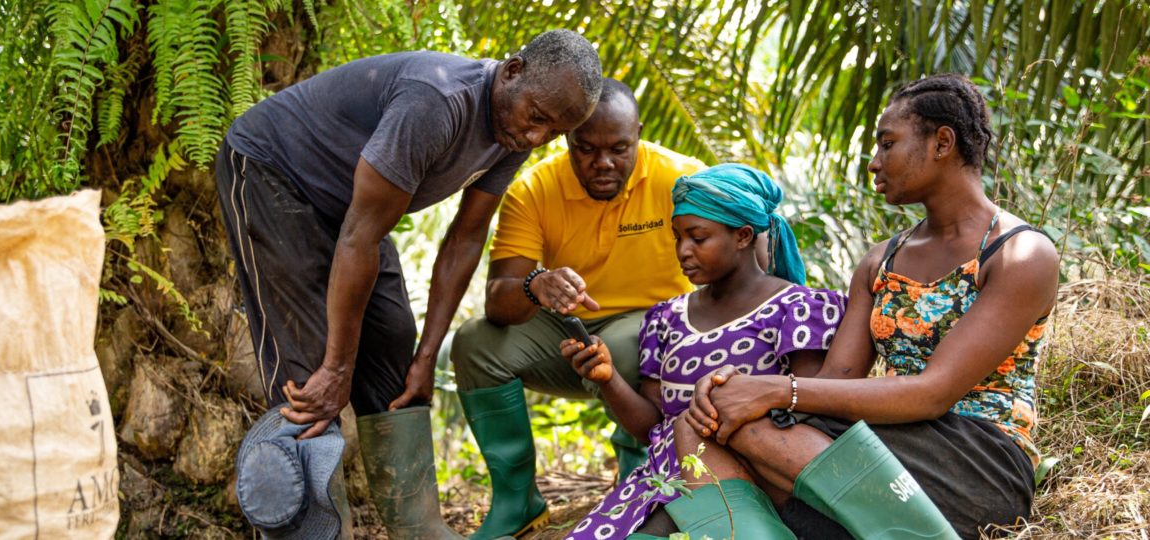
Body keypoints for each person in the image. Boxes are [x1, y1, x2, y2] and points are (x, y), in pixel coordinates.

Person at [214, 30, 603, 539]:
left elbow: (465, 240)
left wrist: (426, 358)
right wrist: (336, 367)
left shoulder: (514, 129)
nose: (536, 138)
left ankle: (418, 528)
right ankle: (314, 532)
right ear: (512, 71)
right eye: (536, 118)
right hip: (272, 172)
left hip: (352, 211)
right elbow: (360, 236)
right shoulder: (438, 100)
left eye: (552, 132)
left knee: (395, 343)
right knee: (308, 376)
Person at [684, 74, 1059, 539]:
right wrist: (733, 389)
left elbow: (933, 392)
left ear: (943, 142)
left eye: (887, 144)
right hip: (890, 443)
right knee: (701, 422)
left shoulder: (1019, 254)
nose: (874, 163)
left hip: (976, 458)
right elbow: (838, 382)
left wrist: (776, 391)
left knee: (750, 427)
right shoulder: (880, 261)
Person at [448, 78, 709, 539]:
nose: (603, 163)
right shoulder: (534, 189)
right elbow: (498, 299)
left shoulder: (682, 178)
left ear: (639, 134)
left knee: (624, 346)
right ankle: (517, 501)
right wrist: (536, 284)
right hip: (570, 333)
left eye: (619, 149)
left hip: (661, 334)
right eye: (586, 149)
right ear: (567, 138)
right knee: (474, 343)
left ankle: (640, 484)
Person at [560, 163, 846, 540]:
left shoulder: (795, 308)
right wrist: (608, 379)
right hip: (661, 478)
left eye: (698, 237)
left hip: (750, 481)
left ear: (743, 236)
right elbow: (654, 427)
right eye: (678, 237)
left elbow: (809, 411)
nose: (683, 250)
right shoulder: (666, 318)